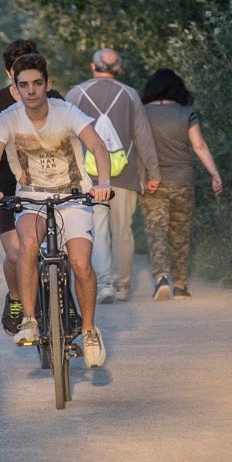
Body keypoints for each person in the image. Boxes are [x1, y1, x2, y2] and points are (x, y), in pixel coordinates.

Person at [0, 52, 114, 367]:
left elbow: (97, 146)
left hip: (74, 197)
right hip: (31, 198)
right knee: (26, 246)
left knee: (80, 263)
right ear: (15, 86)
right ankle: (29, 320)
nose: (31, 91)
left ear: (48, 84)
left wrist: (102, 182)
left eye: (37, 83)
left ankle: (90, 331)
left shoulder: (67, 112)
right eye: (24, 85)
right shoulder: (9, 117)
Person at [0, 39, 57, 336]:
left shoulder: (54, 98)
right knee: (18, 254)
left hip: (48, 183)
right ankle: (16, 298)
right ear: (9, 74)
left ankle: (64, 301)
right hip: (7, 187)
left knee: (62, 248)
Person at [67, 50, 161, 303]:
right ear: (119, 69)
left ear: (92, 66)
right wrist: (153, 171)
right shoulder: (130, 94)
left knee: (97, 230)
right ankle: (122, 285)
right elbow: (143, 136)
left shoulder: (75, 94)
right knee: (123, 231)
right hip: (126, 174)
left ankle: (105, 282)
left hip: (89, 178)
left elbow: (68, 139)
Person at [140, 69, 222, 301]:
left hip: (152, 183)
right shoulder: (186, 113)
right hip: (183, 181)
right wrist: (215, 174)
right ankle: (181, 286)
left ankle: (161, 277)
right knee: (180, 232)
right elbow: (199, 146)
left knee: (156, 231)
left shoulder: (141, 113)